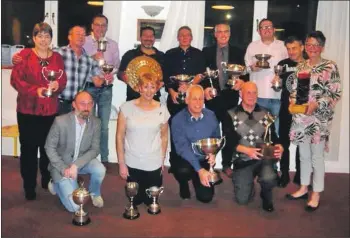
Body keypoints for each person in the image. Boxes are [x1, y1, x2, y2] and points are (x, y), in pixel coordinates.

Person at [10, 22, 67, 201]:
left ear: (51, 39)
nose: (44, 39)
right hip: (28, 110)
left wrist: (58, 85)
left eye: (47, 36)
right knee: (28, 149)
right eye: (40, 36)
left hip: (50, 111)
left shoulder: (57, 57)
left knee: (48, 148)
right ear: (34, 38)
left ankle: (47, 179)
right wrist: (36, 90)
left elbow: (62, 78)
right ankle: (29, 185)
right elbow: (16, 81)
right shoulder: (24, 56)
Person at [285, 31, 341, 212]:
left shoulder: (330, 66)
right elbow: (298, 92)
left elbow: (335, 93)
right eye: (309, 44)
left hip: (319, 120)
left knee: (317, 157)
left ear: (322, 47)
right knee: (303, 155)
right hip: (302, 118)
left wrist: (317, 104)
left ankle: (316, 192)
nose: (312, 48)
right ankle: (303, 187)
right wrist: (293, 101)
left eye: (315, 45)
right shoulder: (302, 66)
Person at [12, 25, 102, 115]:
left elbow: (98, 82)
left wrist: (106, 77)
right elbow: (40, 52)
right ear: (69, 37)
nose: (81, 37)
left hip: (77, 105)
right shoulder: (58, 53)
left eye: (83, 35)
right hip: (58, 103)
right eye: (78, 34)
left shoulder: (89, 60)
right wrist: (16, 58)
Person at [222, 82, 284, 212]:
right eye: (248, 92)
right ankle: (248, 185)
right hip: (242, 160)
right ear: (241, 94)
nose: (251, 96)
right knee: (242, 200)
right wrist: (247, 151)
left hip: (263, 158)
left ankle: (266, 196)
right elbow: (228, 141)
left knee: (269, 178)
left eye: (254, 92)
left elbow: (274, 137)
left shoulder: (266, 113)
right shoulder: (230, 114)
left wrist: (279, 146)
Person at [45, 91, 106, 212]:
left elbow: (95, 149)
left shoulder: (96, 123)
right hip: (62, 165)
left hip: (81, 162)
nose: (86, 108)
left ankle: (95, 193)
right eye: (82, 104)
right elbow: (49, 147)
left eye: (89, 104)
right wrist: (63, 169)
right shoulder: (60, 121)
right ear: (74, 104)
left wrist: (76, 165)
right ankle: (55, 184)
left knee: (100, 169)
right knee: (75, 207)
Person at [202, 22, 248, 178]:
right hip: (212, 99)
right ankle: (209, 164)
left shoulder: (238, 51)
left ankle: (227, 164)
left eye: (225, 32)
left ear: (230, 34)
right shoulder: (206, 52)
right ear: (214, 34)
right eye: (219, 32)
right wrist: (204, 89)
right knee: (210, 133)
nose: (222, 34)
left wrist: (242, 82)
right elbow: (202, 75)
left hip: (230, 99)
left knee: (230, 132)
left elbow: (244, 73)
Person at [116, 73, 170, 206]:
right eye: (145, 86)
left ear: (156, 89)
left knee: (149, 200)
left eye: (153, 87)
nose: (149, 91)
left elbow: (164, 136)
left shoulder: (161, 109)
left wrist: (162, 159)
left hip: (153, 162)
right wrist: (122, 163)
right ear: (139, 88)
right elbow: (119, 136)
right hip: (132, 161)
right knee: (136, 199)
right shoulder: (126, 107)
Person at [164, 26, 206, 176]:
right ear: (178, 37)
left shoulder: (199, 54)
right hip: (175, 99)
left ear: (192, 37)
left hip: (193, 101)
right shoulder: (169, 54)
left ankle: (191, 162)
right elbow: (166, 76)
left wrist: (189, 86)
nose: (184, 37)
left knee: (192, 132)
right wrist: (172, 92)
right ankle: (175, 163)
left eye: (187, 35)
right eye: (181, 35)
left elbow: (202, 75)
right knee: (176, 132)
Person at [171, 85, 220, 203]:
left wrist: (213, 153)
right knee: (182, 171)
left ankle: (196, 177)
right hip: (185, 159)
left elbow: (217, 138)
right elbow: (182, 148)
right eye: (194, 99)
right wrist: (200, 170)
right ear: (187, 100)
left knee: (206, 198)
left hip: (203, 158)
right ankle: (183, 184)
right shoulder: (177, 119)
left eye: (201, 99)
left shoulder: (211, 116)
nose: (198, 103)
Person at [83, 14, 120, 166]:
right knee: (88, 124)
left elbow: (117, 65)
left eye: (103, 25)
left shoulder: (112, 44)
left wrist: (110, 75)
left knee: (104, 127)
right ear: (92, 26)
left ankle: (104, 158)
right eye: (97, 25)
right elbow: (79, 64)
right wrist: (92, 57)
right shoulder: (83, 41)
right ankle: (87, 158)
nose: (100, 28)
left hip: (106, 89)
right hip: (89, 89)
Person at [244, 19, 288, 135]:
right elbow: (245, 68)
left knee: (278, 132)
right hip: (258, 97)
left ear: (274, 30)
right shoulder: (252, 46)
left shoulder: (283, 46)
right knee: (258, 133)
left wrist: (281, 76)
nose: (267, 29)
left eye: (269, 27)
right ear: (259, 31)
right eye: (263, 27)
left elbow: (289, 67)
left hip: (278, 96)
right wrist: (252, 68)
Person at [273, 36, 305, 187]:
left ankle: (300, 175)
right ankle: (284, 174)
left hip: (303, 110)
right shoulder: (283, 64)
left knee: (302, 143)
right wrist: (276, 83)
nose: (291, 52)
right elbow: (278, 87)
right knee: (283, 142)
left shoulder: (308, 64)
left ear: (302, 47)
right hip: (286, 108)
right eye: (289, 49)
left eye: (294, 48)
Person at [117, 26, 165, 101]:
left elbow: (165, 77)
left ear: (154, 38)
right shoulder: (129, 55)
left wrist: (161, 83)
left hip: (153, 98)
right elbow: (119, 73)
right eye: (145, 35)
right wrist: (123, 76)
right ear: (140, 38)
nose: (148, 38)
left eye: (151, 36)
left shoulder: (161, 56)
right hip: (133, 97)